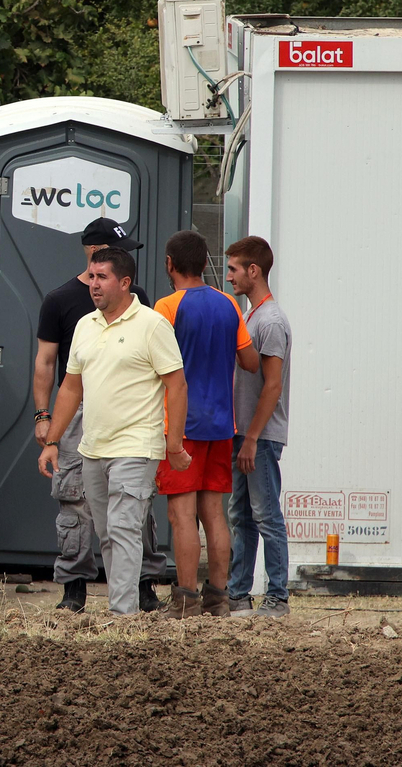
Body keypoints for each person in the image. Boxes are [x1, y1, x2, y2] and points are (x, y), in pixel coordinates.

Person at [37, 248, 187, 616]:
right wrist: (52, 440)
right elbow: (71, 388)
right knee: (107, 533)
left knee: (123, 529)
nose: (93, 284)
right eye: (91, 276)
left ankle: (123, 616)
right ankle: (123, 610)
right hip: (92, 449)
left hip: (136, 446)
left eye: (102, 277)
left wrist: (173, 443)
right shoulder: (85, 325)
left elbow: (177, 384)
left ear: (124, 282)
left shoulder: (152, 324)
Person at [153, 230, 258, 618]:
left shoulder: (166, 307)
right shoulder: (229, 303)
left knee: (181, 515)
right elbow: (250, 362)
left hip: (180, 426)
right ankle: (218, 598)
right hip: (221, 424)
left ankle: (185, 600)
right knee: (214, 513)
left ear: (170, 264)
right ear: (204, 263)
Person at [224, 235, 293, 618]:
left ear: (254, 270)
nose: (229, 276)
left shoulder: (270, 321)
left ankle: (277, 598)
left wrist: (251, 437)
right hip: (245, 435)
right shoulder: (251, 316)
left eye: (234, 269)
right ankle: (238, 595)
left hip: (259, 438)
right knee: (242, 515)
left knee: (266, 515)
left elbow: (273, 385)